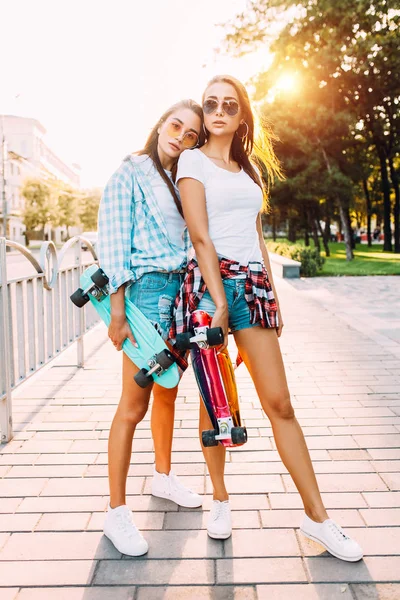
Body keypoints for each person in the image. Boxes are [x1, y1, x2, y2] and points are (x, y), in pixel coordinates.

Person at [173, 75, 363, 562]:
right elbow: (201, 237)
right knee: (215, 400)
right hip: (209, 286)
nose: (218, 111)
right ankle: (219, 498)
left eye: (228, 105)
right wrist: (217, 300)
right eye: (210, 103)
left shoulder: (249, 170)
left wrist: (272, 299)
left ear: (241, 116)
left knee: (279, 402)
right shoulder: (192, 161)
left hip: (252, 289)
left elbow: (256, 238)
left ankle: (318, 519)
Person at [97, 99, 205, 557]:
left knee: (168, 391)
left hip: (177, 295)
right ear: (161, 123)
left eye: (190, 134)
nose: (179, 136)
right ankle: (116, 513)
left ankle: (162, 475)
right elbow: (113, 241)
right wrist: (118, 311)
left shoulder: (182, 180)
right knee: (133, 404)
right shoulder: (132, 171)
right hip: (142, 296)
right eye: (175, 125)